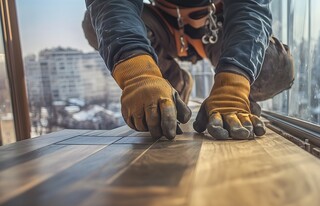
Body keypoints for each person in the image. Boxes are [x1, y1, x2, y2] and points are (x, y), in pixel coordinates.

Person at [83, 0, 294, 140]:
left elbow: (249, 7)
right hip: (162, 25)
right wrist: (138, 74)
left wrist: (234, 86)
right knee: (94, 25)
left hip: (219, 24)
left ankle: (232, 103)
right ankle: (172, 82)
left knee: (275, 66)